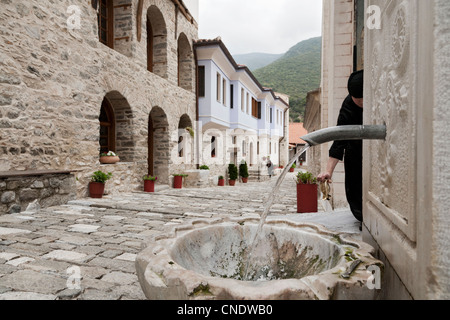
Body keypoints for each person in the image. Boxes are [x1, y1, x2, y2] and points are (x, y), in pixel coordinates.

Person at [317, 70, 364, 225]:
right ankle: (361, 218)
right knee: (355, 193)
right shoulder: (348, 106)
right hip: (355, 152)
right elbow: (339, 141)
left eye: (362, 100)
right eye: (356, 99)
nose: (360, 103)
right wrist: (328, 171)